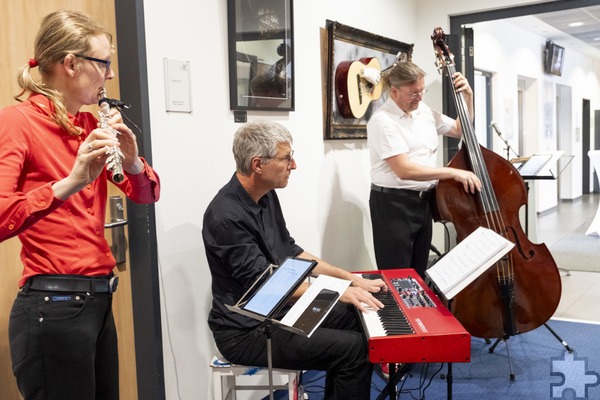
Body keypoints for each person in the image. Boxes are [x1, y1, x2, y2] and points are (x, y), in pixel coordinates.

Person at [0, 10, 161, 400]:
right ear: (70, 64)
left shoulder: (91, 126)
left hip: (98, 300)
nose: (109, 75)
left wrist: (132, 161)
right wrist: (70, 182)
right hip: (53, 308)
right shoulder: (16, 122)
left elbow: (146, 194)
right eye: (103, 63)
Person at [203, 120, 386, 399]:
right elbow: (266, 288)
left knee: (356, 317)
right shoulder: (226, 216)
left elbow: (291, 251)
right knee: (354, 350)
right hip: (246, 332)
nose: (294, 164)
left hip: (278, 312)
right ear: (257, 165)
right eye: (286, 158)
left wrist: (349, 277)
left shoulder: (265, 196)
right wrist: (341, 293)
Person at [367, 61, 481, 279]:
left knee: (418, 272)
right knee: (397, 275)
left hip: (423, 202)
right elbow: (403, 169)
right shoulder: (383, 121)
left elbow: (459, 129)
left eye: (422, 91)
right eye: (413, 93)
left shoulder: (424, 111)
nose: (419, 97)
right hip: (393, 205)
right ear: (394, 91)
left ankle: (418, 313)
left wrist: (468, 98)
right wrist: (453, 172)